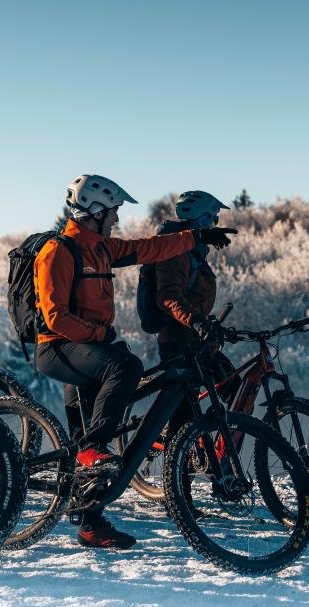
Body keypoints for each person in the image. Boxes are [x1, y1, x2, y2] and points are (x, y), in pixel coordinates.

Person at [34, 175, 237, 549]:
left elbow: (148, 249)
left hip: (89, 347)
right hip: (59, 348)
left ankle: (90, 523)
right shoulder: (59, 251)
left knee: (106, 411)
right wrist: (100, 337)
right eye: (113, 211)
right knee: (125, 368)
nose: (117, 218)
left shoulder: (101, 248)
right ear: (95, 211)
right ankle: (92, 451)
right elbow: (54, 318)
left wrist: (197, 238)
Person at [154, 191, 241, 445]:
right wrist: (196, 321)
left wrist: (206, 324)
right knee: (183, 418)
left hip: (198, 341)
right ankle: (178, 477)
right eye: (212, 219)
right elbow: (169, 296)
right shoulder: (174, 250)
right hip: (178, 341)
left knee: (235, 389)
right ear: (199, 219)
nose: (214, 224)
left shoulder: (193, 251)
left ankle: (212, 452)